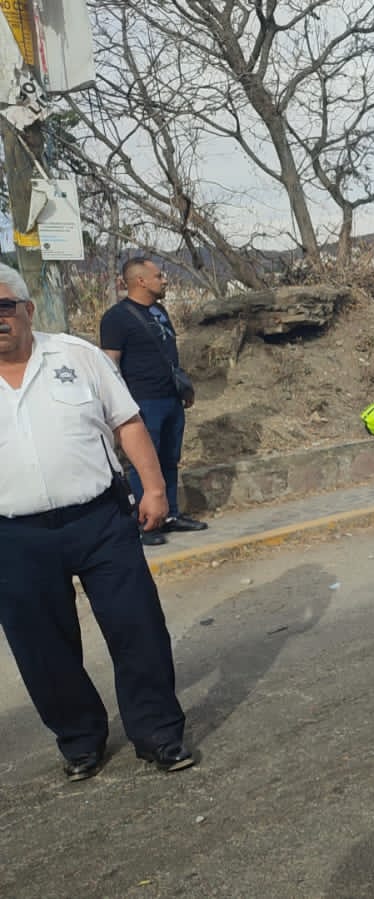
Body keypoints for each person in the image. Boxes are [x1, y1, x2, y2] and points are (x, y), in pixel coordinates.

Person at [0, 265, 195, 779]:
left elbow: (127, 422)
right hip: (13, 536)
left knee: (138, 628)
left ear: (26, 310)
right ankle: (79, 739)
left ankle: (158, 734)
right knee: (41, 646)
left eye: (4, 307)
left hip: (100, 518)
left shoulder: (77, 356)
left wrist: (153, 488)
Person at [98, 257, 208, 547]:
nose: (165, 280)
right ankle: (144, 522)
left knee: (170, 459)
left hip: (170, 398)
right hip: (142, 402)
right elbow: (110, 366)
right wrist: (121, 406)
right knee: (145, 463)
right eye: (159, 276)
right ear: (141, 281)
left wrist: (183, 388)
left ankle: (170, 514)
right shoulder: (116, 318)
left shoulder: (159, 310)